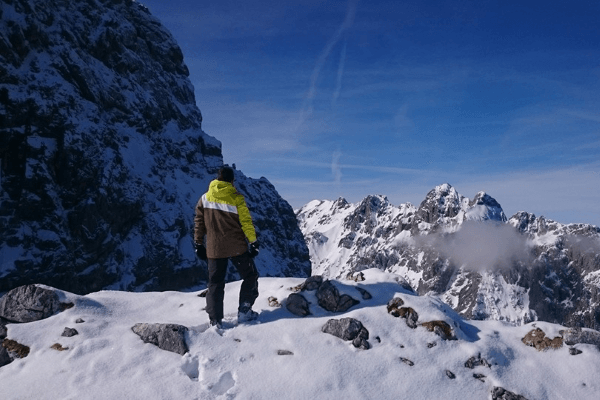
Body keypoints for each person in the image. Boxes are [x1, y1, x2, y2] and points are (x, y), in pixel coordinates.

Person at [194, 166, 260, 328]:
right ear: (232, 180)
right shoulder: (236, 198)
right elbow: (245, 222)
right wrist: (253, 242)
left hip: (214, 248)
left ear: (217, 179)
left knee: (215, 283)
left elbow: (199, 223)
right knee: (250, 275)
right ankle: (244, 311)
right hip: (236, 246)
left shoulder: (204, 198)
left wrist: (198, 243)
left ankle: (215, 321)